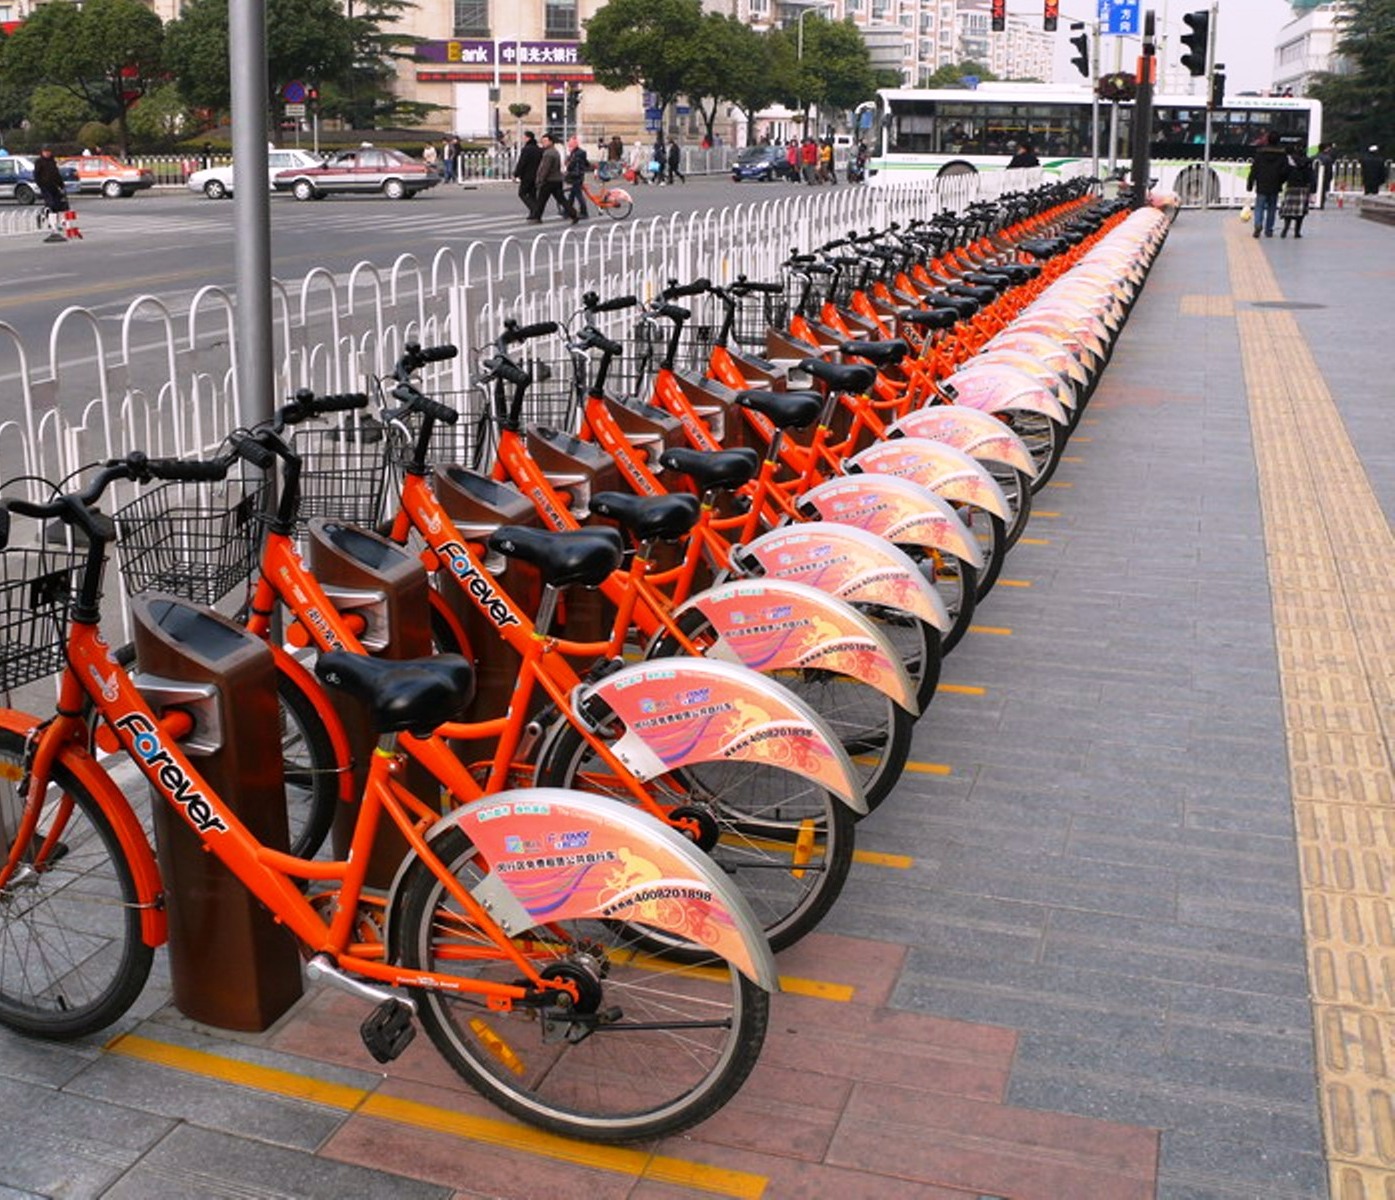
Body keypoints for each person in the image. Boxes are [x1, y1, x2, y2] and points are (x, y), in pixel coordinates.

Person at [1246, 131, 1289, 239]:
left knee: (1259, 207)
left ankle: (1258, 224)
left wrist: (1250, 182)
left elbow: (1254, 169)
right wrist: (1281, 181)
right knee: (1272, 208)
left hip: (1262, 184)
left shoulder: (1260, 153)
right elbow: (1285, 171)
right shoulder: (1282, 154)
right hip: (1275, 185)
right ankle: (1269, 230)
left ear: (1268, 140)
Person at [528, 133, 573, 223]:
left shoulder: (548, 153)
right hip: (557, 179)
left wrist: (540, 179)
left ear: (551, 142)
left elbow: (545, 168)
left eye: (545, 141)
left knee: (541, 200)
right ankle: (573, 214)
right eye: (542, 141)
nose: (543, 143)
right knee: (561, 199)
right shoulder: (555, 151)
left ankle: (536, 217)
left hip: (549, 180)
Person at [33, 147, 69, 244]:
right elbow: (36, 174)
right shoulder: (39, 162)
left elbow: (56, 174)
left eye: (49, 152)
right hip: (45, 186)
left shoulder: (52, 161)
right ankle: (51, 224)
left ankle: (53, 223)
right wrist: (40, 184)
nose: (47, 153)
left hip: (54, 186)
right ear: (42, 152)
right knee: (51, 204)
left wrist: (61, 185)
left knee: (57, 206)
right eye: (45, 152)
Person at [1280, 152, 1314, 238]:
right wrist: (1312, 188)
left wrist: (1281, 182)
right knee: (1301, 211)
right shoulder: (1308, 162)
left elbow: (1284, 174)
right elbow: (1311, 176)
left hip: (1291, 187)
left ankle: (1285, 228)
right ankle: (1297, 232)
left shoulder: (1290, 162)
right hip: (1303, 188)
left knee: (1288, 210)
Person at [513, 130, 541, 215]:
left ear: (528, 138)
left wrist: (516, 174)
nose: (523, 139)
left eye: (524, 137)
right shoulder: (538, 149)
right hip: (536, 175)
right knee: (533, 195)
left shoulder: (526, 149)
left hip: (527, 176)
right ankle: (534, 214)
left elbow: (522, 163)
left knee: (522, 193)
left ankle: (534, 209)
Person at [564, 135, 591, 219]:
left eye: (570, 144)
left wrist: (567, 165)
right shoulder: (578, 152)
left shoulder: (577, 153)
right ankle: (568, 211)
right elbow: (586, 163)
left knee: (578, 195)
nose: (569, 146)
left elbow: (572, 164)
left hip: (576, 176)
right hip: (578, 175)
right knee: (572, 195)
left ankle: (584, 212)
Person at [1315, 142, 1336, 208]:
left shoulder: (1314, 157)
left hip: (1314, 177)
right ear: (1326, 149)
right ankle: (1321, 204)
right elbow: (1329, 170)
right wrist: (1330, 178)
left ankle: (1315, 202)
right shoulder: (1328, 158)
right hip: (1324, 178)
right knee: (1322, 191)